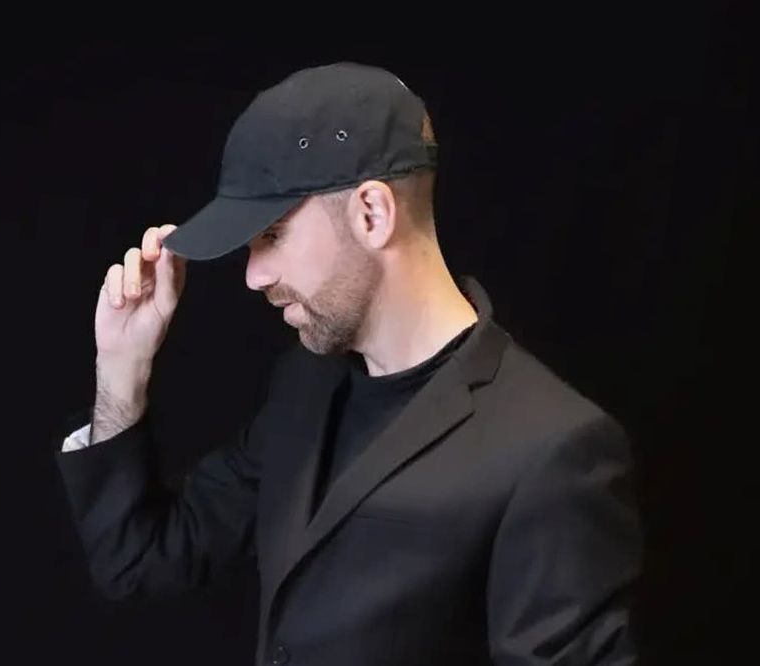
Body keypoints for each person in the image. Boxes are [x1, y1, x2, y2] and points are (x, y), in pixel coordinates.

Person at [54, 62, 642, 665]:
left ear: (372, 215)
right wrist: (121, 369)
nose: (253, 276)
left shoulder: (551, 451)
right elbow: (140, 560)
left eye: (272, 235)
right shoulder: (304, 386)